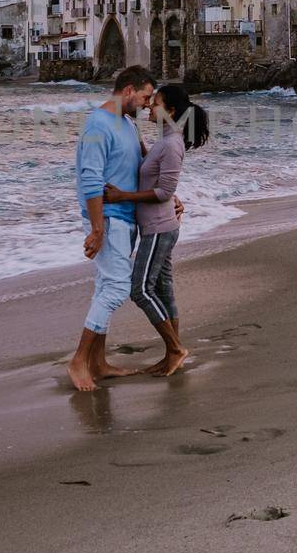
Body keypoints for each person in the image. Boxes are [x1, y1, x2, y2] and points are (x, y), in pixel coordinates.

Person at [104, 83, 210, 376]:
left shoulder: (172, 144)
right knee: (163, 289)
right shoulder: (166, 140)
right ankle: (172, 354)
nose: (150, 106)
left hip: (159, 228)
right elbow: (156, 171)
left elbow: (164, 191)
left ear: (171, 111)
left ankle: (175, 349)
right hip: (160, 226)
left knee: (139, 290)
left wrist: (122, 196)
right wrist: (137, 143)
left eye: (156, 102)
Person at [68, 65, 155, 392]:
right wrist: (97, 228)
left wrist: (171, 197)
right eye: (145, 96)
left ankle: (99, 363)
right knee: (118, 288)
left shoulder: (128, 124)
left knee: (106, 286)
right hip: (108, 218)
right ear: (129, 90)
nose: (147, 104)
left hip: (125, 217)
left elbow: (144, 167)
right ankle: (79, 360)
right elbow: (90, 179)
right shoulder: (96, 125)